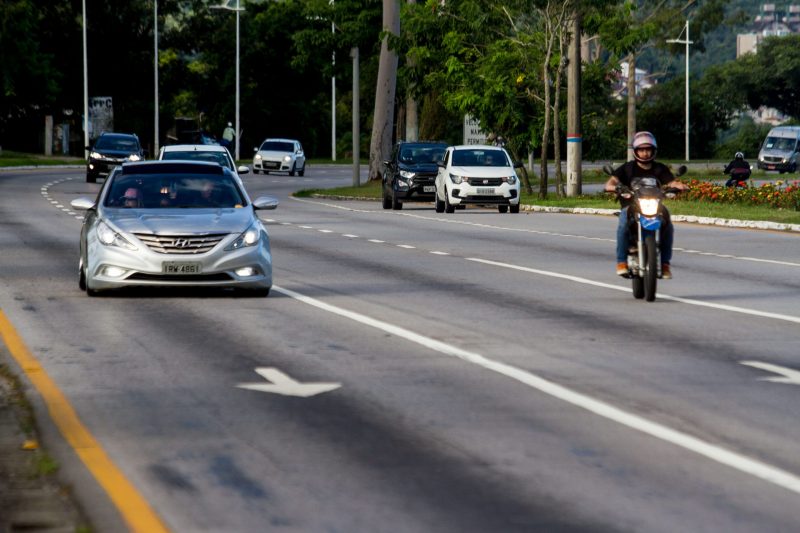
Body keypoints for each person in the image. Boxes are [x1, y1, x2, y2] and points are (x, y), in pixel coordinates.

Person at [603, 131, 689, 279]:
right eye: (642, 150)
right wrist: (614, 187)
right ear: (636, 151)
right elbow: (611, 182)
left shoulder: (659, 169)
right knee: (623, 222)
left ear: (653, 151)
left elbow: (671, 182)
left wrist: (679, 186)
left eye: (648, 149)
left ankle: (665, 264)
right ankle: (621, 262)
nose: (645, 153)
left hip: (655, 205)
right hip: (632, 206)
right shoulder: (628, 168)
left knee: (668, 224)